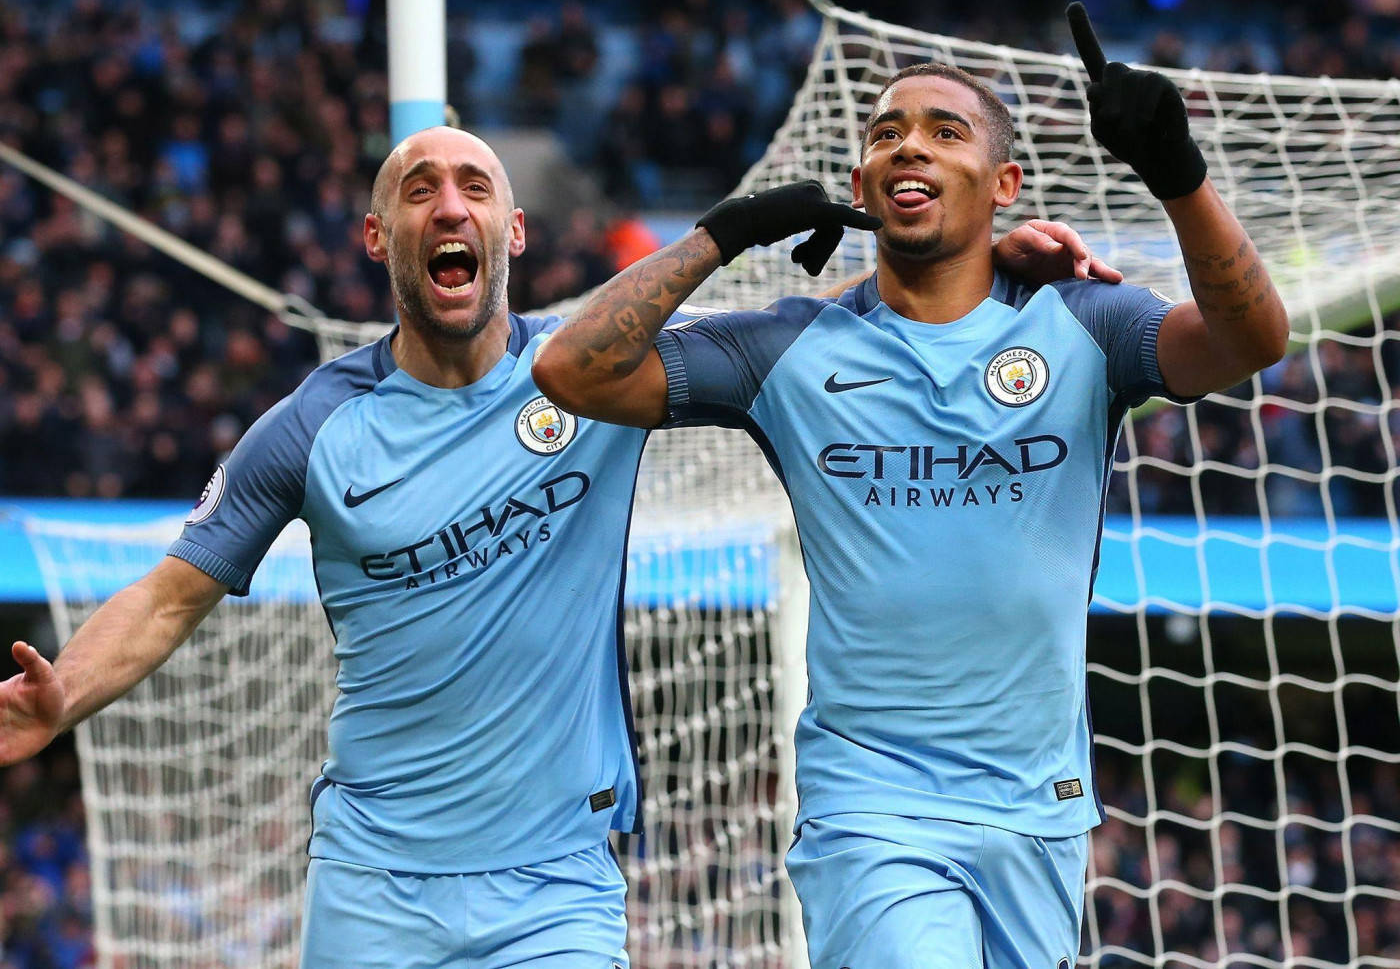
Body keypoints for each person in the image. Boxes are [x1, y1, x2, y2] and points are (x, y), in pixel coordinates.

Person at [0, 123, 1111, 968]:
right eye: (417, 191)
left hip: (557, 888)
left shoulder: (595, 377)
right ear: (378, 238)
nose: (450, 206)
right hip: (375, 881)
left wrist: (982, 262)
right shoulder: (311, 428)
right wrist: (62, 699)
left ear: (511, 234)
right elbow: (168, 595)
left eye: (475, 187)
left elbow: (842, 330)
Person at [531, 3, 1289, 969]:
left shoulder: (1085, 324)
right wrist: (725, 232)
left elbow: (1252, 340)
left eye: (944, 130)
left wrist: (1176, 173)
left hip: (1038, 807)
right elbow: (571, 372)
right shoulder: (788, 347)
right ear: (859, 185)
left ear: (1004, 184)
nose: (907, 147)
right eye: (885, 133)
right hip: (871, 805)